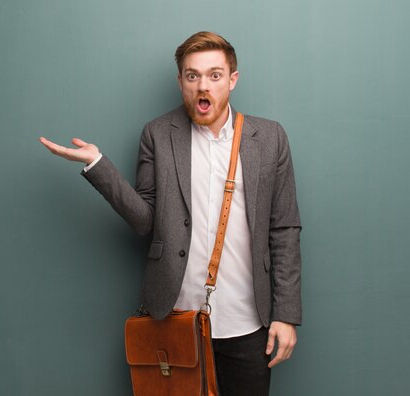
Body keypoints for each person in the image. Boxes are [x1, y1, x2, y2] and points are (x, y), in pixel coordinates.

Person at [40, 31, 301, 396]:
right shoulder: (158, 134)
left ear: (232, 79)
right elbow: (145, 220)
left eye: (214, 75)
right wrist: (98, 166)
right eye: (192, 76)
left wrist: (286, 314)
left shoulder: (270, 138)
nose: (202, 86)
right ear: (180, 81)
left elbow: (284, 227)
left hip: (247, 322)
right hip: (175, 319)